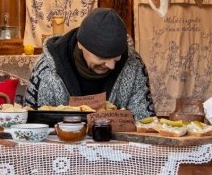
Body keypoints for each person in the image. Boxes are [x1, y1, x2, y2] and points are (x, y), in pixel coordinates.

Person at [25, 7, 155, 120]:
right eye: (101, 57)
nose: (111, 66)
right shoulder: (45, 71)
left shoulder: (134, 66)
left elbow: (144, 121)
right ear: (81, 44)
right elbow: (31, 124)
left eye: (116, 58)